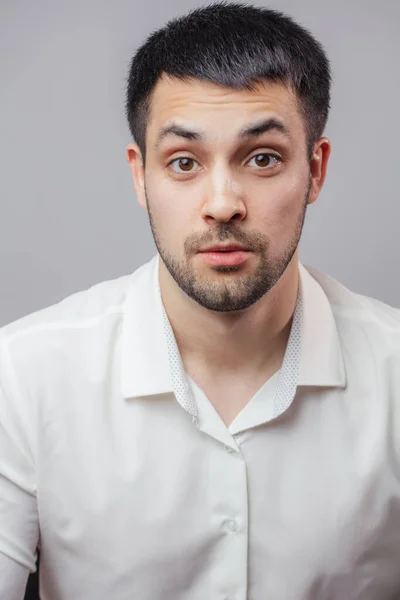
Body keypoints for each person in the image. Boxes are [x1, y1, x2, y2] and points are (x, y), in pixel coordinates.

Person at [1, 2, 400, 599]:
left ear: (315, 171)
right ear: (141, 177)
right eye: (183, 162)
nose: (222, 203)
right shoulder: (23, 374)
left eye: (262, 158)